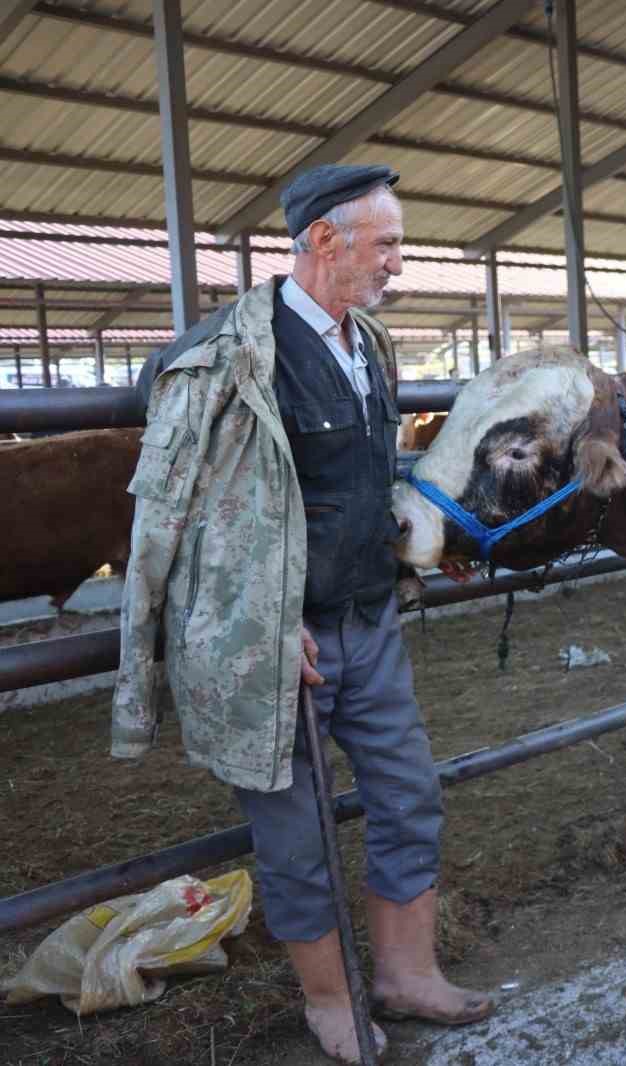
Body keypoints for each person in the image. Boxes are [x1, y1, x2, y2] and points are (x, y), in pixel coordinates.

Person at [113, 164, 494, 1063]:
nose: (399, 264)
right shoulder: (230, 357)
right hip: (281, 647)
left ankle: (406, 976)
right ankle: (332, 1004)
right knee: (298, 832)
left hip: (369, 624)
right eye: (388, 244)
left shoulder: (371, 345)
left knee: (409, 797)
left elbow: (363, 477)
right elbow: (184, 510)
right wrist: (263, 622)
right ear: (326, 240)